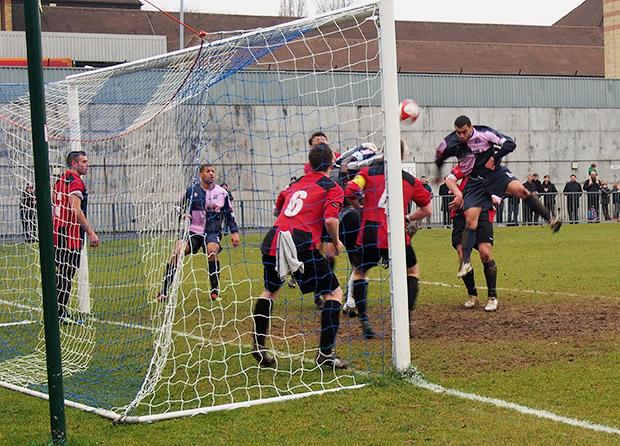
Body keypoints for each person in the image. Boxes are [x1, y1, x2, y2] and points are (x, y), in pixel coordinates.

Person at [252, 144, 348, 369]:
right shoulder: (332, 187)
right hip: (300, 244)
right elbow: (330, 220)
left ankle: (259, 345)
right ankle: (325, 353)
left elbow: (279, 206)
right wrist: (336, 241)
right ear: (332, 163)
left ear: (311, 163)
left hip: (273, 239)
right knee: (334, 293)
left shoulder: (296, 183)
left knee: (270, 291)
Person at [434, 115, 560, 278]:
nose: (461, 136)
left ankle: (550, 219)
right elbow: (439, 156)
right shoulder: (450, 141)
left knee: (521, 190)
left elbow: (510, 143)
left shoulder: (484, 133)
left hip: (495, 174)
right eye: (458, 133)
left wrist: (494, 158)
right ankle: (465, 262)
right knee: (470, 220)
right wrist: (437, 174)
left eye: (464, 132)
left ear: (471, 127)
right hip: (474, 182)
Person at [345, 141, 432, 337]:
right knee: (412, 271)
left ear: (383, 154)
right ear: (402, 156)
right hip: (395, 235)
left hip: (368, 234)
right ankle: (406, 319)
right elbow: (427, 209)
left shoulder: (367, 173)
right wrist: (408, 218)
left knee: (359, 273)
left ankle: (365, 321)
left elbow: (350, 190)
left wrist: (359, 207)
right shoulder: (411, 181)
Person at [157, 164, 240, 302]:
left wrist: (235, 232)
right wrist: (183, 214)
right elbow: (178, 206)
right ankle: (163, 291)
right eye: (208, 171)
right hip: (193, 232)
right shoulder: (191, 191)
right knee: (178, 251)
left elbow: (229, 214)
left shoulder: (222, 193)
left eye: (213, 171)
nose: (211, 173)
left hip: (212, 232)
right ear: (201, 175)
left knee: (212, 250)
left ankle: (214, 291)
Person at [52, 151, 99, 325]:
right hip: (70, 236)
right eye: (84, 161)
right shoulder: (75, 182)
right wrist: (90, 231)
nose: (87, 164)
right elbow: (75, 209)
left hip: (58, 234)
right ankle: (60, 313)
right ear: (74, 163)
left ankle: (57, 311)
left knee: (60, 274)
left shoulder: (60, 181)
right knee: (66, 274)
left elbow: (54, 203)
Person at [445, 164, 499, 311]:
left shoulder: (497, 171)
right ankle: (472, 295)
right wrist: (459, 195)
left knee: (485, 254)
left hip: (482, 212)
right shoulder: (469, 163)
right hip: (461, 214)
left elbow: (500, 194)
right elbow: (449, 179)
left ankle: (492, 297)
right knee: (463, 256)